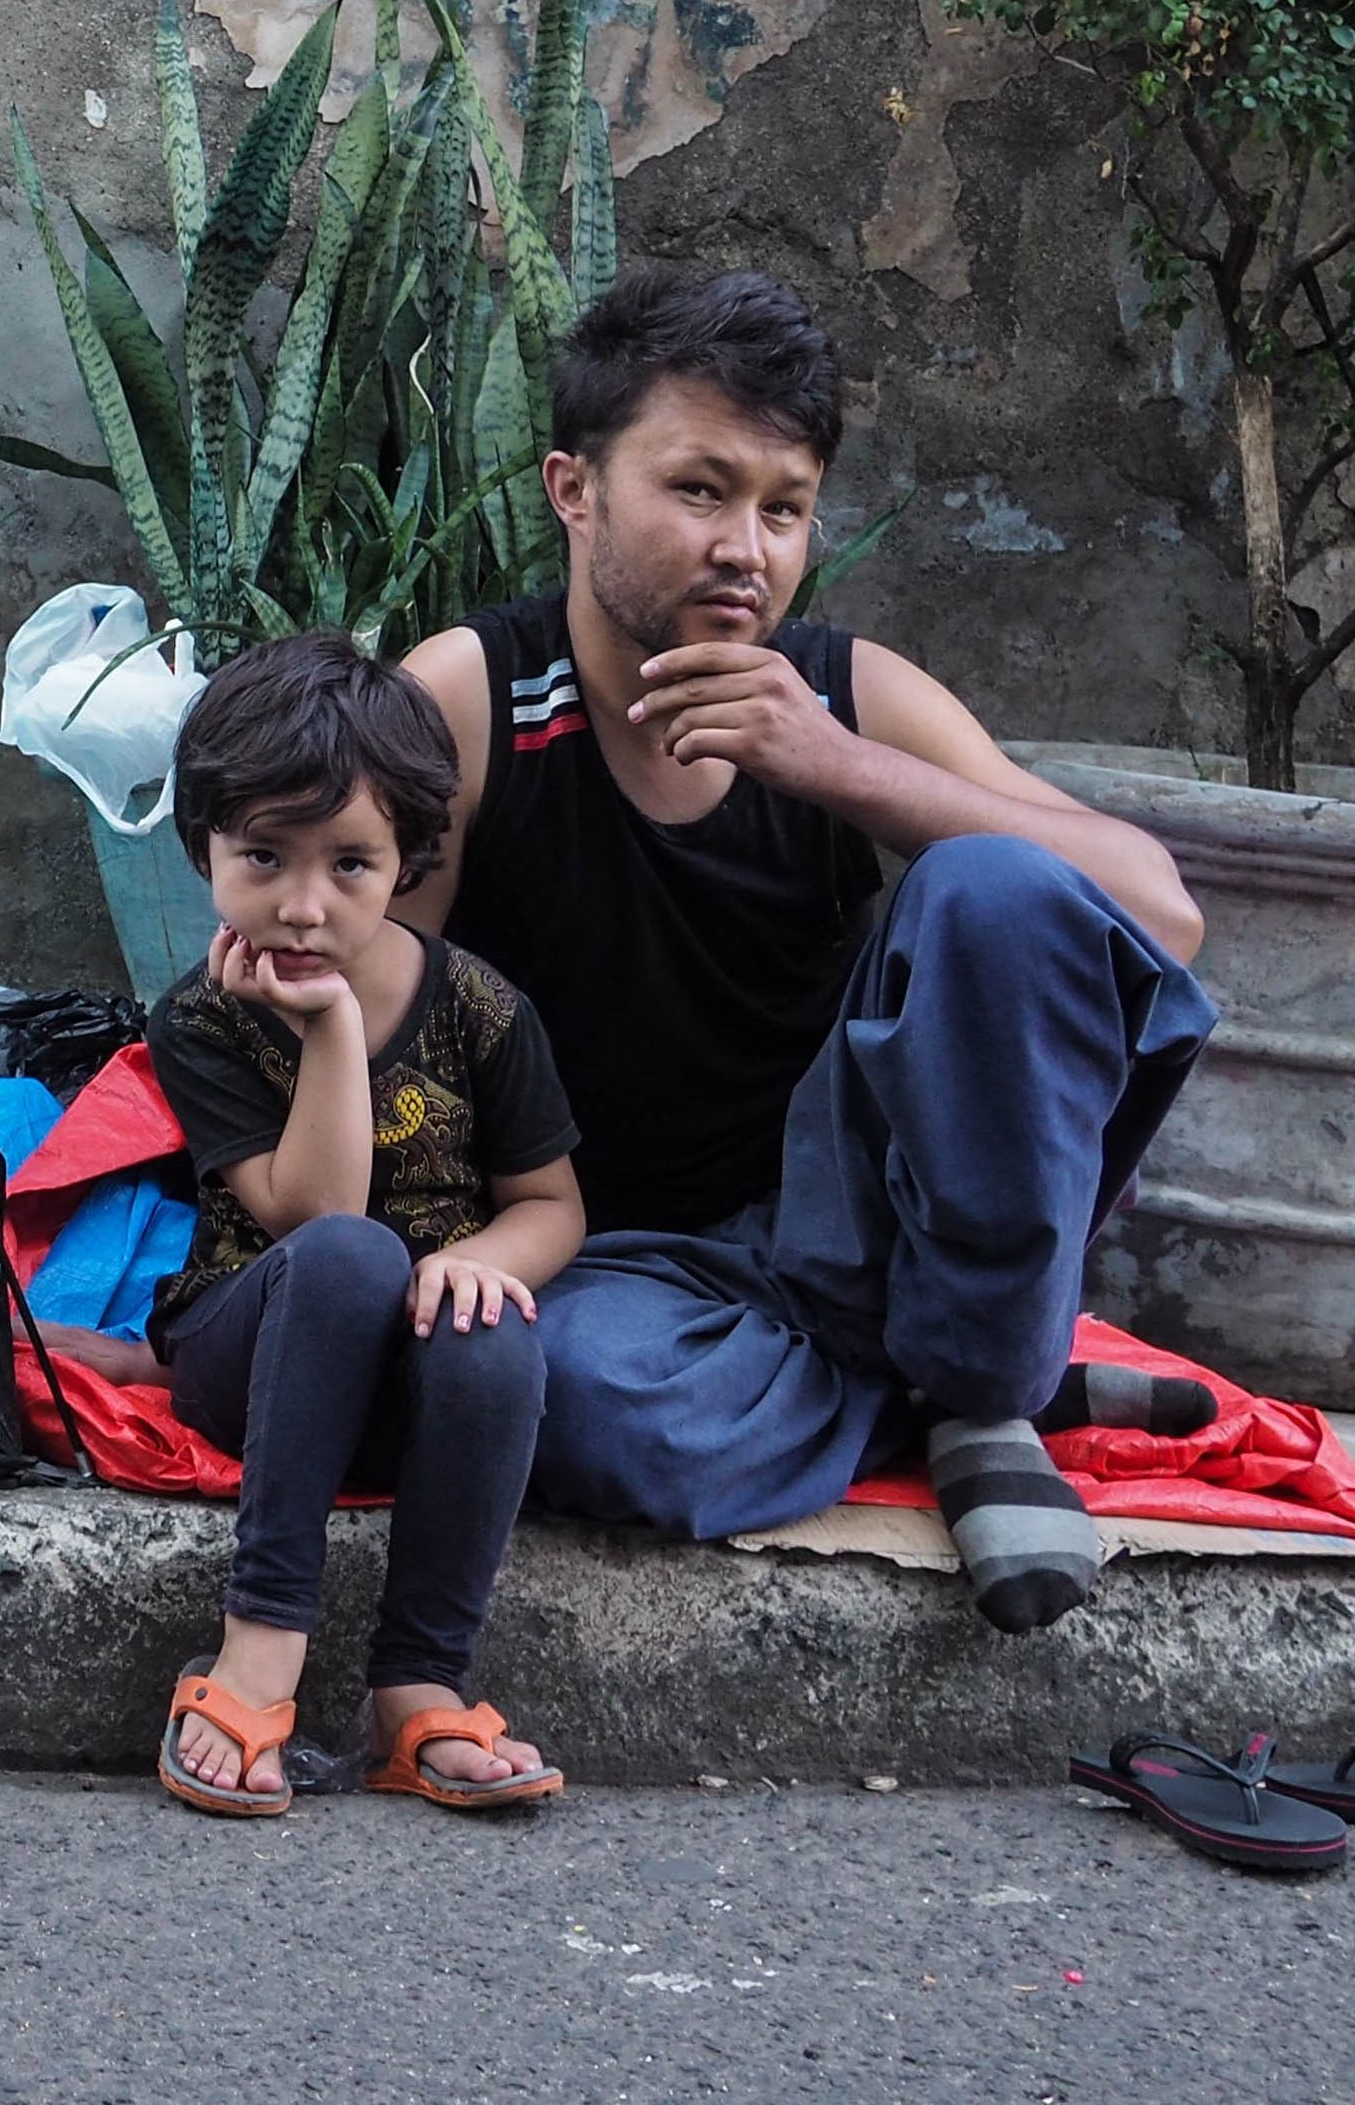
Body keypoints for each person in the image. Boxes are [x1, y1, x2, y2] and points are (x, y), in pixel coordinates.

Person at [394, 266, 1218, 1634]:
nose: (745, 547)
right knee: (572, 1403)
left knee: (1004, 889)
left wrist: (837, 767)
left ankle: (966, 1375)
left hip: (846, 1226)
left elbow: (1157, 910)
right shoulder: (472, 699)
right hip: (606, 1264)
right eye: (699, 489)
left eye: (782, 508)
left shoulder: (846, 693)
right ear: (572, 488)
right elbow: (383, 1016)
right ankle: (961, 1386)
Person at [137, 635, 581, 1817]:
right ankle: (257, 1646)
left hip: (413, 1391)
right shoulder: (201, 1017)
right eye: (261, 858)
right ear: (203, 851)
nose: (300, 904)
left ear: (406, 861)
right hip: (256, 1355)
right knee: (350, 1252)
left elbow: (551, 1206)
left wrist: (479, 1263)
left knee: (491, 1326)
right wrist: (331, 1026)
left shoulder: (482, 1009)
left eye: (349, 864)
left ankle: (418, 1688)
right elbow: (313, 1216)